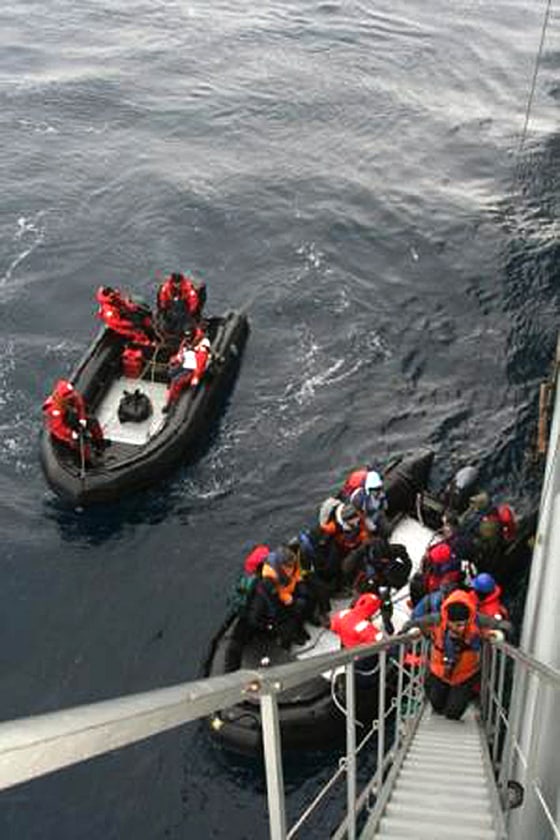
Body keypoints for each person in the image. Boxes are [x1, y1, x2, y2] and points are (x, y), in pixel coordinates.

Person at [403, 589, 511, 720]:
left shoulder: (477, 620)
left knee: (453, 713)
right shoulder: (437, 619)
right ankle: (437, 693)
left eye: (463, 624)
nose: (460, 629)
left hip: (465, 674)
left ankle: (454, 702)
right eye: (455, 625)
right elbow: (412, 623)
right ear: (447, 620)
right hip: (439, 670)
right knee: (436, 703)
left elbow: (505, 625)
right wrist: (412, 630)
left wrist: (501, 633)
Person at [245, 545, 313, 648]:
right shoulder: (267, 582)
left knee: (304, 601)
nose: (291, 569)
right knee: (288, 621)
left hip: (288, 596)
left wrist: (301, 590)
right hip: (276, 607)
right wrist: (270, 626)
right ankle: (287, 641)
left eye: (292, 566)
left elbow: (297, 577)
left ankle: (298, 628)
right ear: (281, 566)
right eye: (288, 567)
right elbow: (256, 616)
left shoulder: (292, 567)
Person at [342, 536, 412, 633]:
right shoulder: (362, 554)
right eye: (383, 560)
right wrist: (359, 552)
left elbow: (406, 560)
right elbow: (346, 567)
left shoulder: (393, 550)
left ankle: (386, 620)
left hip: (383, 583)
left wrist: (402, 570)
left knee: (386, 603)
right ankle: (353, 623)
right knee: (359, 605)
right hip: (364, 583)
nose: (385, 561)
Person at [457, 491, 518, 578]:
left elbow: (485, 541)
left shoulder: (490, 524)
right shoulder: (480, 515)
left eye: (476, 504)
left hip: (485, 548)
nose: (473, 507)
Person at [42, 379, 104, 460]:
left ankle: (99, 442)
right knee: (77, 442)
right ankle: (90, 459)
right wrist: (71, 433)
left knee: (93, 422)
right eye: (68, 396)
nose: (72, 396)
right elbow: (58, 428)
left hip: (71, 418)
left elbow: (80, 405)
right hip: (63, 427)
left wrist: (82, 418)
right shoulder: (54, 410)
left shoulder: (72, 396)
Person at [162, 327, 211, 412]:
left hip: (192, 369)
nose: (187, 339)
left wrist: (195, 378)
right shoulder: (186, 342)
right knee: (170, 373)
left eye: (189, 337)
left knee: (177, 381)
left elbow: (200, 364)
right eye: (186, 337)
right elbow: (181, 353)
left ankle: (173, 403)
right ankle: (170, 392)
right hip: (185, 364)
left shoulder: (202, 346)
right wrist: (177, 359)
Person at [340, 468, 390, 536]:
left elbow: (383, 501)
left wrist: (384, 506)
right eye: (375, 490)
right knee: (372, 530)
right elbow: (359, 514)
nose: (377, 492)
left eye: (378, 489)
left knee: (386, 529)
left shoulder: (380, 492)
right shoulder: (358, 499)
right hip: (366, 516)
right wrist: (369, 523)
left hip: (376, 512)